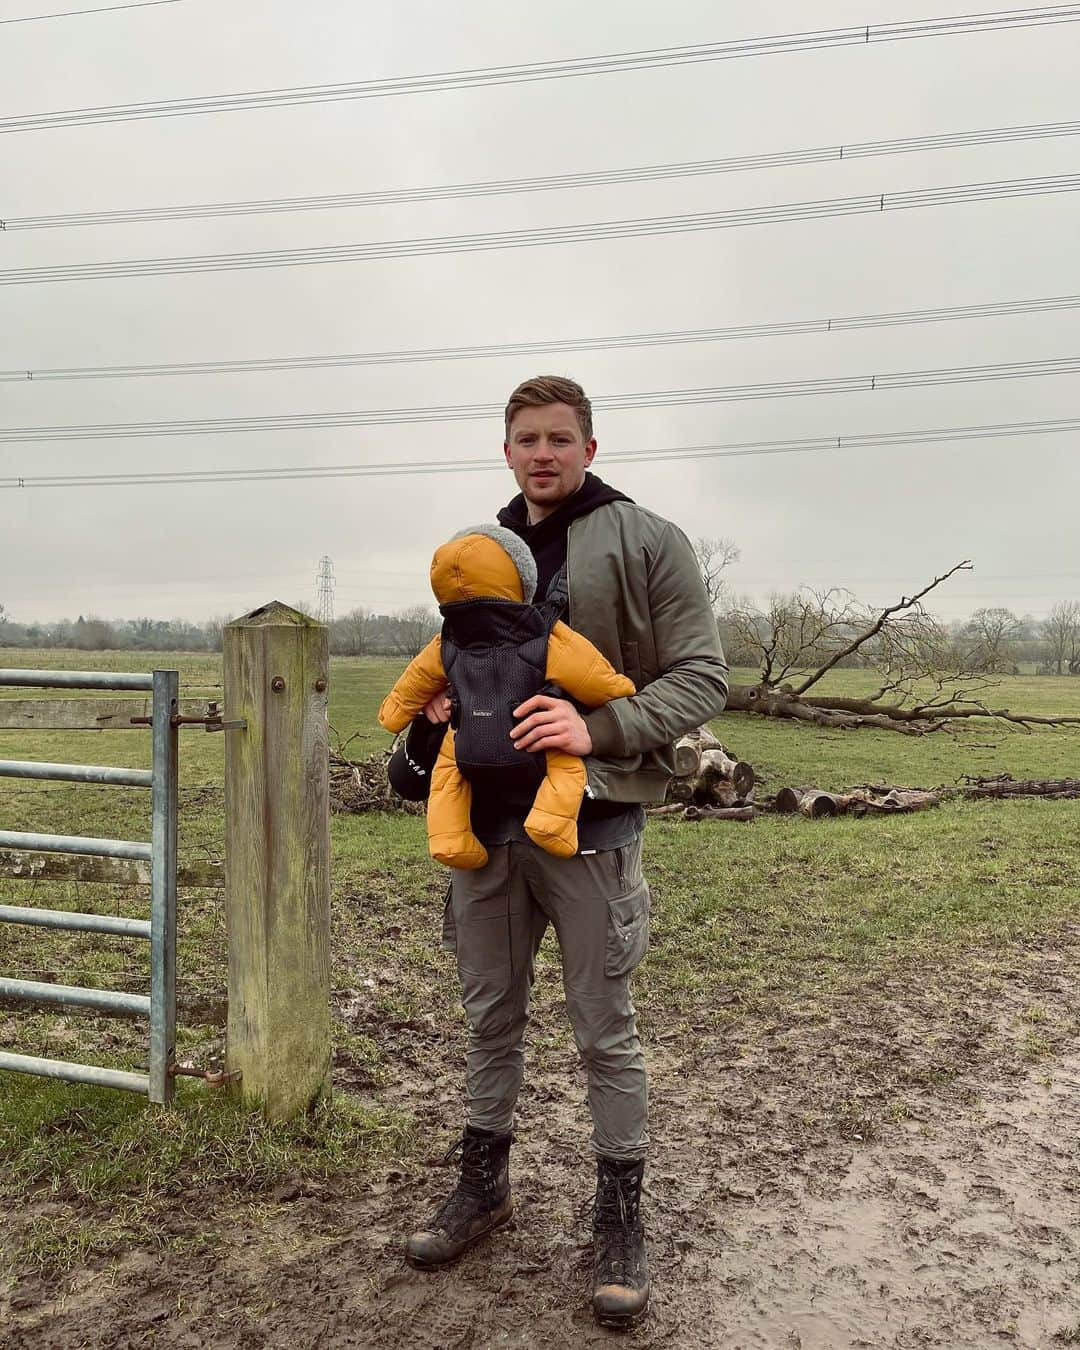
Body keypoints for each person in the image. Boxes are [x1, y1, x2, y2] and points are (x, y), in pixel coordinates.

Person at [402, 375, 729, 1328]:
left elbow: (703, 674)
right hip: (487, 835)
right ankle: (483, 1189)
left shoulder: (648, 539)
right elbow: (449, 664)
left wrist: (602, 727)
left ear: (589, 446)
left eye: (559, 438)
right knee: (489, 1020)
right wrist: (438, 716)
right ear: (505, 450)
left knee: (603, 1030)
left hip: (594, 830)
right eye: (525, 439)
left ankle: (620, 1219)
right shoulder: (480, 555)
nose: (542, 453)